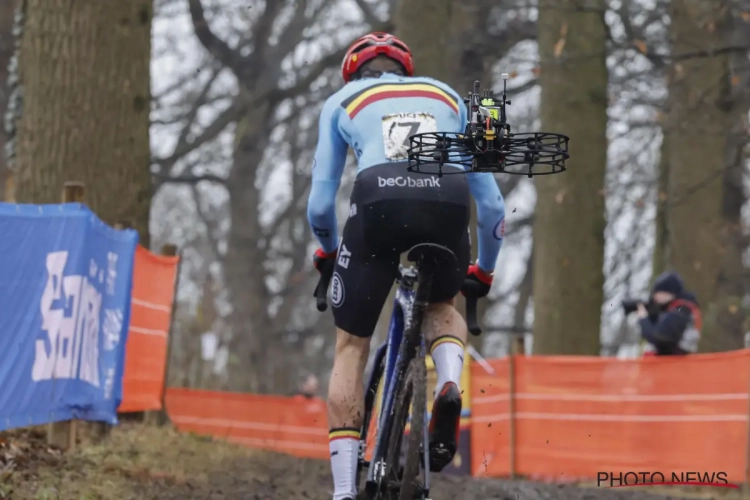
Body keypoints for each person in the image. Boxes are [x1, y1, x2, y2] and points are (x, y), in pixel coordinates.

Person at [307, 32, 505, 500]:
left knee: (351, 346)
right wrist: (483, 272)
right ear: (407, 73)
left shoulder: (341, 100)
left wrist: (329, 253)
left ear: (353, 71)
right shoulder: (452, 97)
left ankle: (342, 492)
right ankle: (450, 383)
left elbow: (319, 207)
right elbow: (494, 206)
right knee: (442, 302)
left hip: (379, 199)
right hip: (448, 198)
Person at [638, 271, 702, 356]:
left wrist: (644, 319)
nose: (655, 297)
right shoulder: (679, 309)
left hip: (673, 366)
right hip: (672, 365)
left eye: (659, 292)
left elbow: (661, 338)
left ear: (669, 292)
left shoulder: (681, 310)